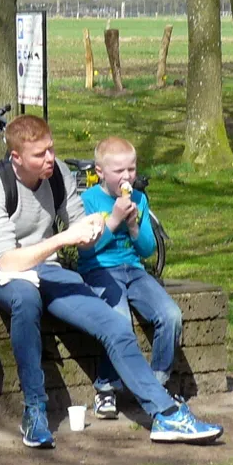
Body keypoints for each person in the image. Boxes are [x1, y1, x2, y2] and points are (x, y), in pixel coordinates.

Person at [0, 114, 223, 449]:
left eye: (51, 149)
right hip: (2, 273)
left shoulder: (57, 174)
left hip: (48, 270)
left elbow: (84, 230)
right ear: (16, 157)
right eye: (40, 154)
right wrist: (64, 239)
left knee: (115, 324)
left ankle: (165, 413)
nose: (50, 158)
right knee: (26, 300)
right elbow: (8, 260)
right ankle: (35, 411)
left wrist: (104, 225)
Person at [78, 136, 184, 419]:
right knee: (118, 322)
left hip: (133, 269)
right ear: (100, 172)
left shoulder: (139, 199)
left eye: (132, 169)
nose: (127, 177)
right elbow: (86, 251)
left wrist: (134, 226)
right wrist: (113, 220)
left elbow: (147, 250)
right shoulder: (89, 200)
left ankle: (157, 382)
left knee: (171, 315)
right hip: (99, 269)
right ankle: (106, 387)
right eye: (119, 171)